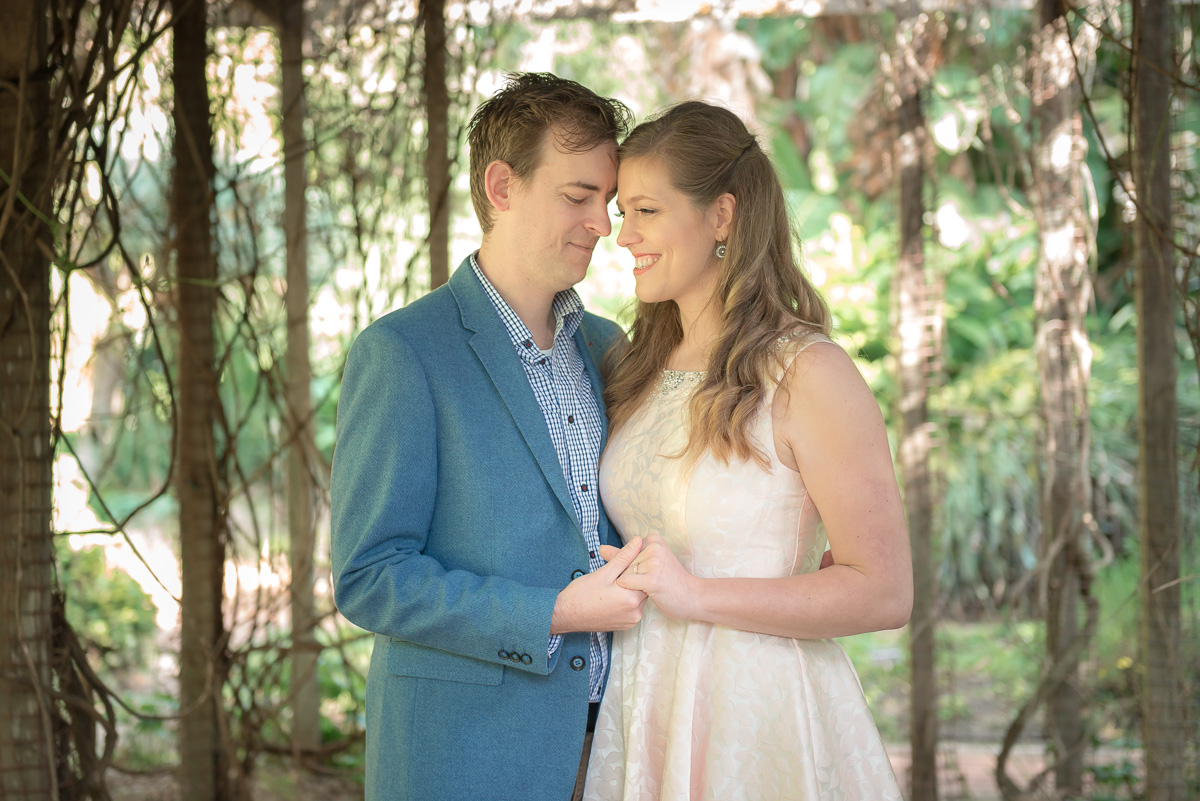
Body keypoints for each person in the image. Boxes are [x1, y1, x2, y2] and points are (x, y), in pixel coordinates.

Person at [331, 73, 649, 801]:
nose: (602, 224)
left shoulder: (610, 348)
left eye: (608, 201)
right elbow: (370, 574)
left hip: (614, 751)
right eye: (578, 196)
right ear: (501, 187)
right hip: (466, 755)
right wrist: (556, 612)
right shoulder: (403, 352)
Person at [582, 101, 913, 800]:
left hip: (756, 711)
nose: (623, 236)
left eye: (645, 210)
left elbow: (884, 589)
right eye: (621, 212)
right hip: (644, 700)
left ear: (722, 217)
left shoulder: (808, 373)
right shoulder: (637, 364)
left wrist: (695, 594)